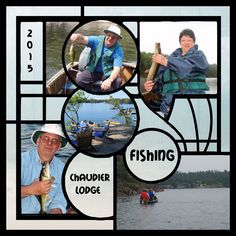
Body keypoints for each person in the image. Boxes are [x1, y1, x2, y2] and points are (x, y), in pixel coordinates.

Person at [144, 28, 209, 118]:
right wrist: (151, 87)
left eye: (189, 40)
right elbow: (161, 85)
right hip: (170, 109)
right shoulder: (169, 59)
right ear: (180, 42)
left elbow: (187, 69)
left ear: (194, 42)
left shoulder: (199, 56)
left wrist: (166, 62)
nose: (186, 43)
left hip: (194, 107)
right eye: (183, 40)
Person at [21, 124, 68, 214]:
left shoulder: (62, 169)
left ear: (59, 146)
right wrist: (30, 189)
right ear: (38, 141)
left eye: (54, 140)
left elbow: (58, 202)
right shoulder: (20, 161)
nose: (49, 143)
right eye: (46, 138)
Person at [70, 24, 124, 92]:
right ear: (106, 34)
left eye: (113, 37)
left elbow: (116, 69)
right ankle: (90, 91)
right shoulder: (96, 40)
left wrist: (109, 80)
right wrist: (76, 36)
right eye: (109, 35)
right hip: (93, 70)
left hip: (107, 73)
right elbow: (83, 39)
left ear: (117, 39)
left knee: (118, 82)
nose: (110, 38)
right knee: (79, 80)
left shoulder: (118, 51)